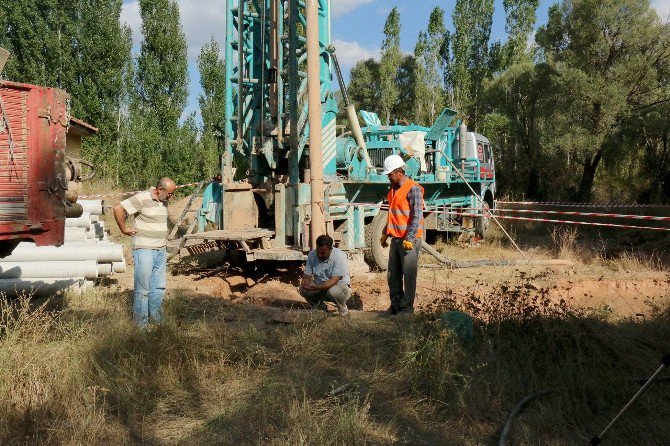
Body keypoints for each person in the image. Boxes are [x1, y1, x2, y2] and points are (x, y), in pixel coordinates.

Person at [113, 177, 177, 327]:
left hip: (161, 250)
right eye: (169, 194)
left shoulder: (163, 199)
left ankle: (156, 318)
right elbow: (118, 208)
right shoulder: (142, 198)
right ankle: (140, 325)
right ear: (160, 189)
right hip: (145, 251)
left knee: (159, 287)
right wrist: (124, 229)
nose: (171, 197)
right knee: (143, 290)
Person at [380, 155, 424, 315]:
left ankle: (407, 308)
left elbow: (416, 215)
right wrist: (386, 233)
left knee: (409, 276)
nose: (388, 177)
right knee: (393, 275)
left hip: (409, 240)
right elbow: (393, 214)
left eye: (390, 174)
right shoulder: (393, 189)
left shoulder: (413, 188)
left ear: (399, 171)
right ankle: (395, 306)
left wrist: (410, 238)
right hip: (396, 238)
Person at [299, 234, 351, 316]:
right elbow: (307, 275)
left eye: (323, 252)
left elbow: (334, 280)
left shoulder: (339, 256)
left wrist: (316, 287)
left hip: (339, 288)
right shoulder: (312, 254)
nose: (319, 255)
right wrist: (306, 280)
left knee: (333, 291)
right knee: (302, 288)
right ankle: (319, 308)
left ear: (330, 249)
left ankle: (343, 311)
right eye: (318, 251)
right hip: (320, 287)